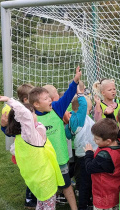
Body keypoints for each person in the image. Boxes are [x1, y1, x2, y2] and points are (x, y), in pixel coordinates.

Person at [0, 96, 65, 210]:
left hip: (35, 180)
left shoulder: (20, 138)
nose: (35, 116)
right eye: (33, 114)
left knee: (41, 204)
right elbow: (25, 115)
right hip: (45, 179)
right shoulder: (30, 136)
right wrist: (9, 100)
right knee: (48, 206)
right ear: (26, 121)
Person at [28, 66, 81, 210]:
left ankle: (74, 208)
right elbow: (13, 130)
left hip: (61, 158)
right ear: (36, 104)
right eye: (46, 99)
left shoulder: (56, 108)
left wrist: (75, 82)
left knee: (66, 185)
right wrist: (3, 127)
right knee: (46, 187)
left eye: (49, 97)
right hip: (43, 161)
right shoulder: (30, 117)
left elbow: (68, 96)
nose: (50, 99)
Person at [0, 83, 36, 209]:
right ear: (26, 99)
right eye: (33, 96)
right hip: (24, 151)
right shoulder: (17, 113)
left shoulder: (32, 111)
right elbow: (11, 132)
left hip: (33, 149)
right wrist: (4, 126)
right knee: (31, 175)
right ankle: (30, 200)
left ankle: (35, 197)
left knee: (34, 174)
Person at [65, 93, 97, 210]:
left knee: (86, 180)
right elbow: (82, 105)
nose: (89, 111)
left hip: (83, 153)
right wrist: (80, 93)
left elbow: (68, 134)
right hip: (85, 154)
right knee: (85, 182)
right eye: (89, 109)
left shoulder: (72, 120)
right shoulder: (79, 118)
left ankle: (88, 201)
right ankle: (83, 205)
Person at [84, 118, 120, 210]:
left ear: (108, 141)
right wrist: (109, 115)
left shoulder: (104, 156)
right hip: (115, 188)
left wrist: (89, 153)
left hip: (103, 192)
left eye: (97, 139)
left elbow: (89, 168)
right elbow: (116, 130)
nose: (94, 140)